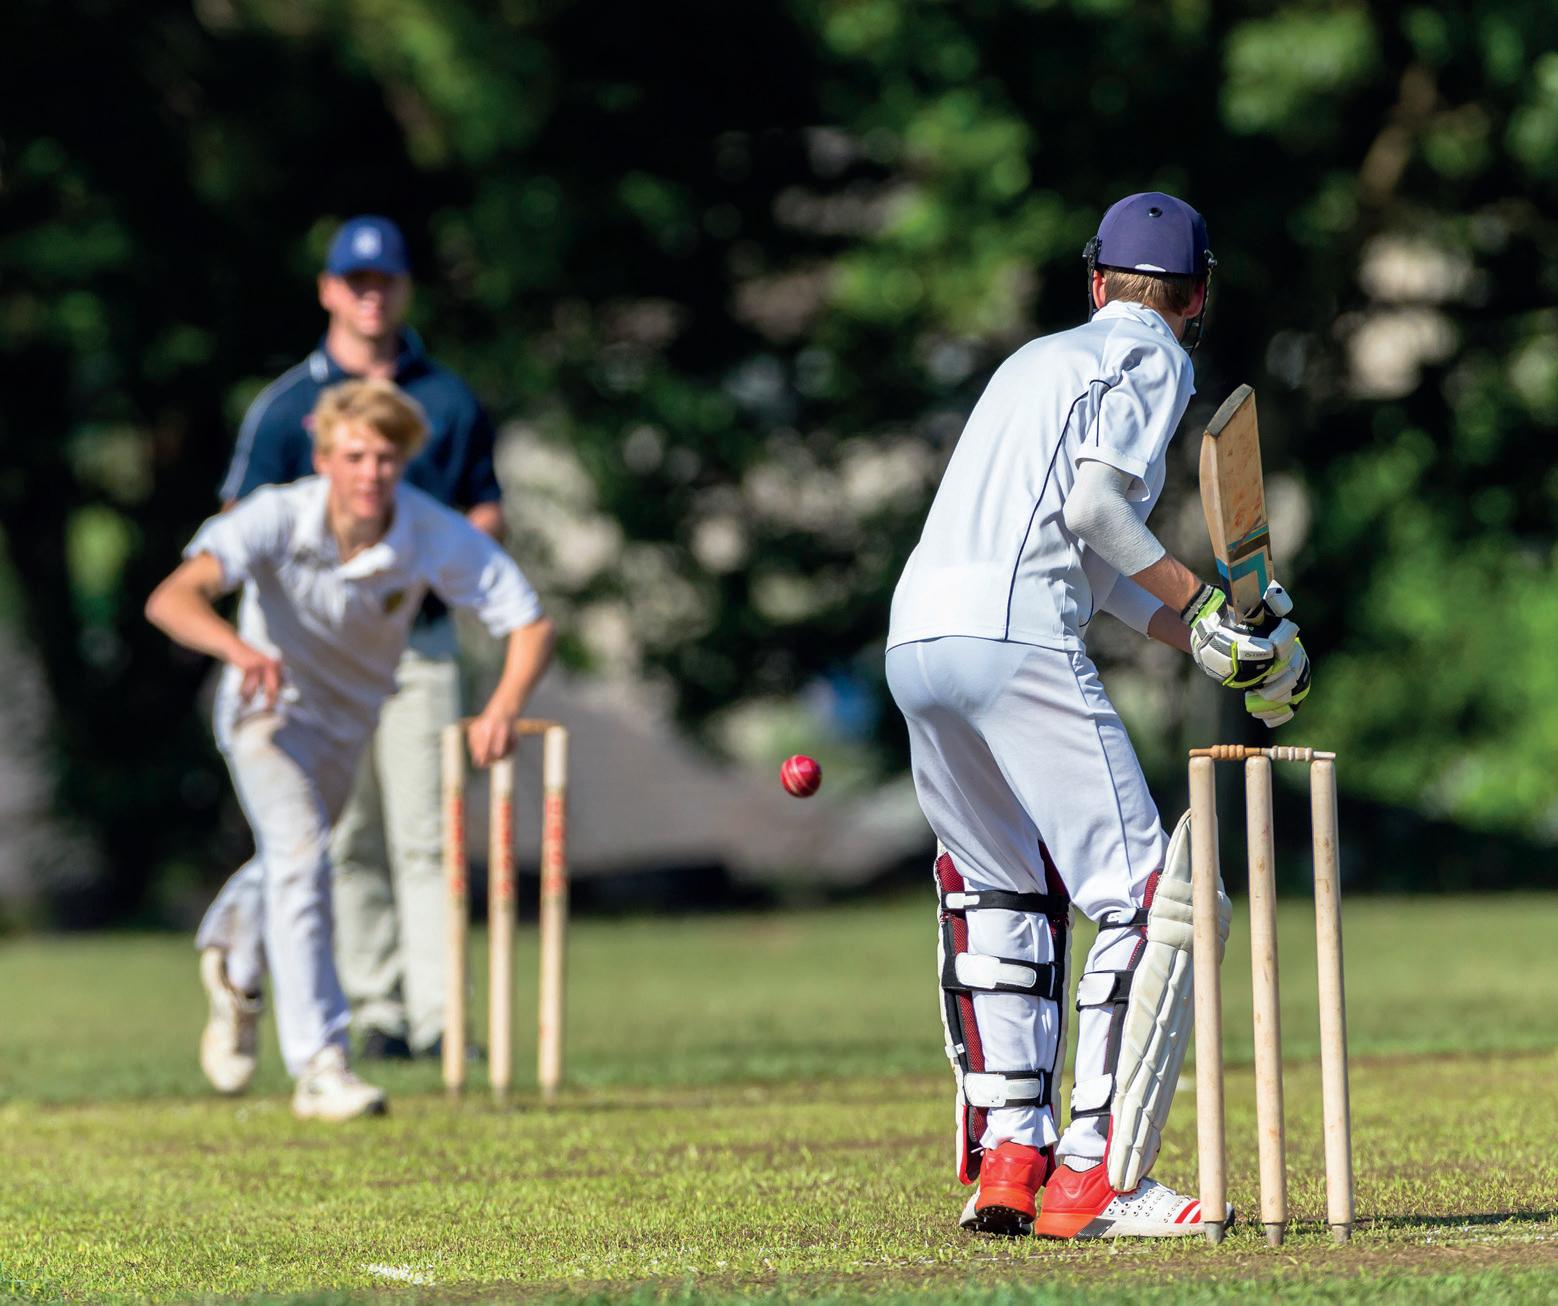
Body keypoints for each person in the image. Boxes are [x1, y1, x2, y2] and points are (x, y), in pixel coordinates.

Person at [884, 192, 1309, 1238]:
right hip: (1016, 635)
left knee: (996, 888)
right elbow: (1094, 510)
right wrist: (1206, 604)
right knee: (1155, 897)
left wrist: (1202, 639)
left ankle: (1011, 1158)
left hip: (918, 638)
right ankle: (1098, 1177)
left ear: (1093, 279)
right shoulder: (1152, 356)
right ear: (1195, 297)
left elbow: (1088, 554)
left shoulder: (1031, 363)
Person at [148, 380, 554, 1120]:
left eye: (386, 458)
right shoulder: (277, 516)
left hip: (348, 724)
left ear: (404, 463)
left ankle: (235, 965)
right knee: (304, 856)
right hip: (267, 715)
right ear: (325, 459)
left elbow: (528, 621)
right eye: (355, 456)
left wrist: (501, 708)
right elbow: (171, 597)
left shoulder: (427, 529)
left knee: (293, 858)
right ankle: (321, 1065)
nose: (371, 472)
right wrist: (241, 652)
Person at [218, 215, 505, 1061]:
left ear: (405, 289)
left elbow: (484, 508)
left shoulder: (447, 398)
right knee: (343, 838)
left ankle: (442, 1018)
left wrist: (429, 565)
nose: (371, 296)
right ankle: (376, 1009)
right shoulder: (289, 406)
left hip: (417, 644)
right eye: (356, 282)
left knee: (429, 834)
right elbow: (240, 521)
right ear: (329, 291)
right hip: (318, 659)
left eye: (385, 281)